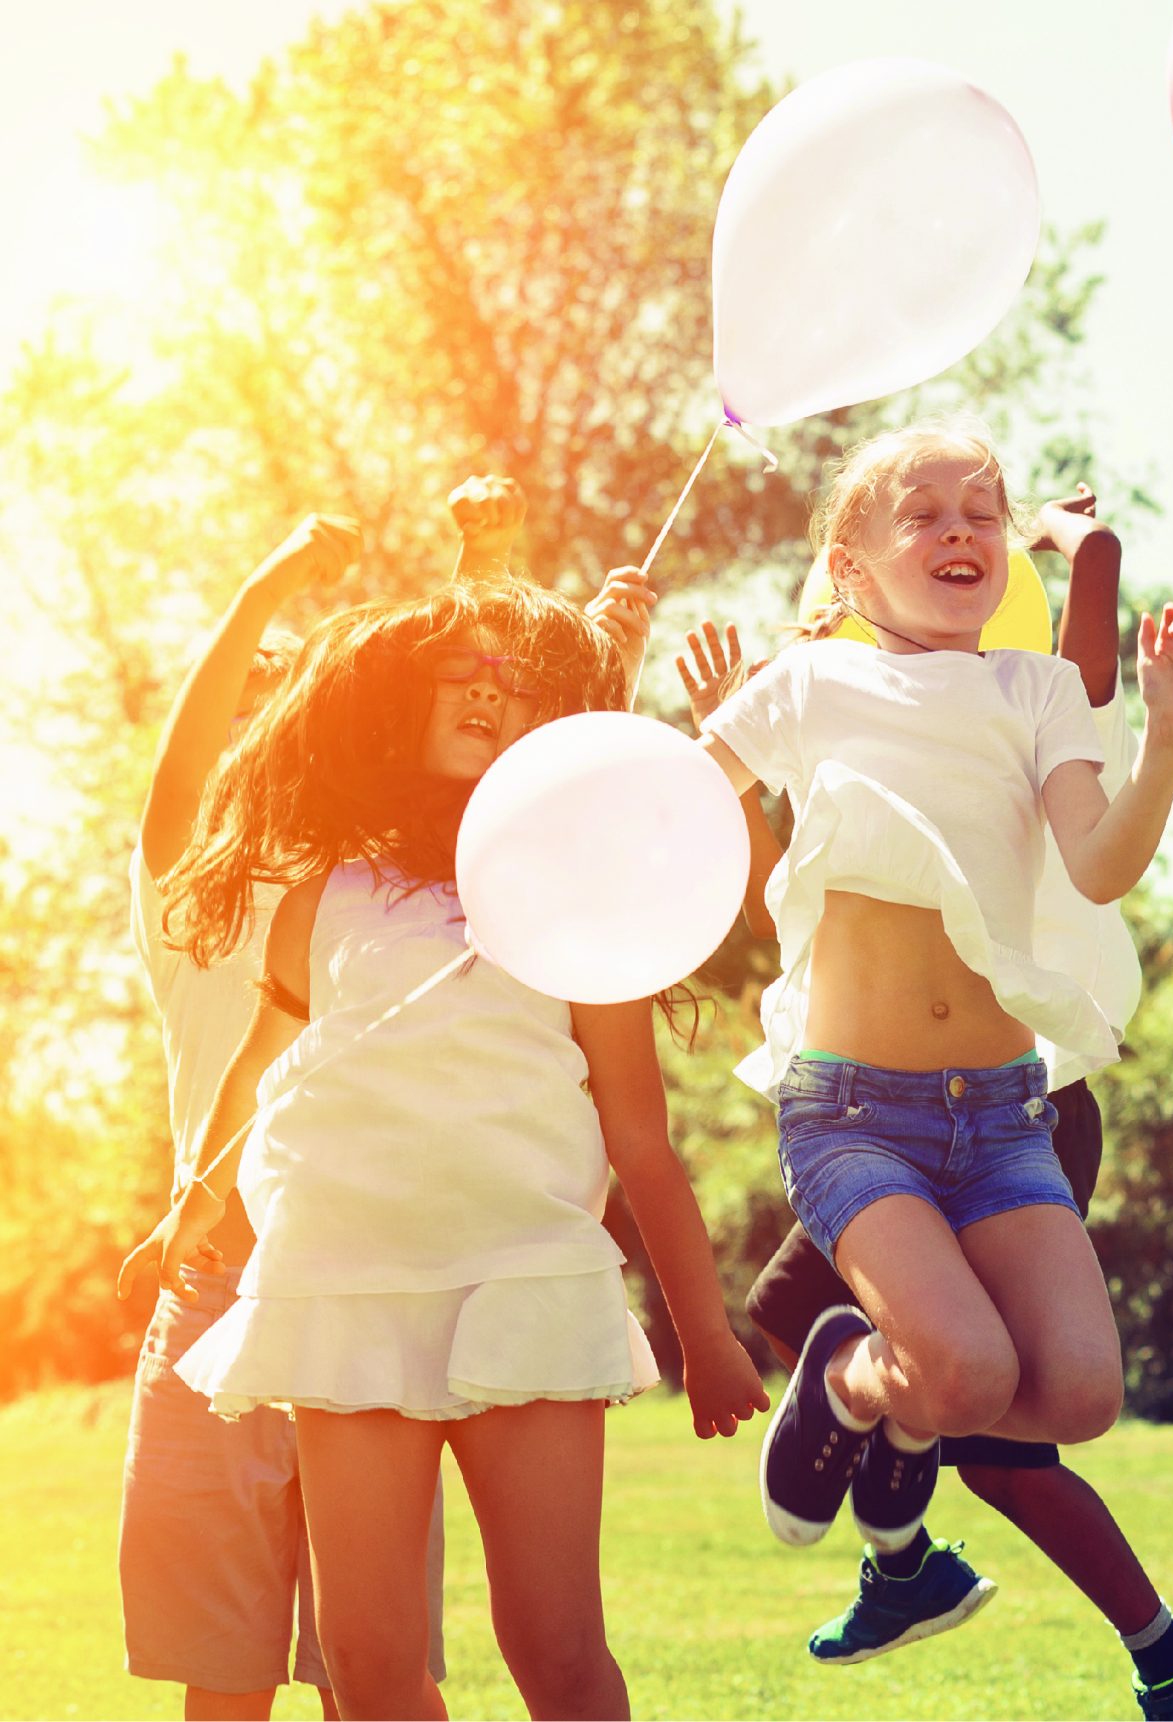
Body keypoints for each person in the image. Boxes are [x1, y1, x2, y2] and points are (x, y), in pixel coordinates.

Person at [119, 576, 768, 1720]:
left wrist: (706, 1336)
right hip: (341, 1291)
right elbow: (261, 1059)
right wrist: (195, 1202)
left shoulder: (578, 899)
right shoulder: (325, 889)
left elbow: (641, 1144)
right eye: (461, 669)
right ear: (399, 706)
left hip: (520, 1276)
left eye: (514, 682)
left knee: (555, 1651)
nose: (487, 686)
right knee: (370, 1667)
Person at [685, 481, 1173, 1715]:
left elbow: (1098, 863)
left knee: (1082, 1398)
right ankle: (855, 1382)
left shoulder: (1035, 691)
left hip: (1001, 1112)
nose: (961, 532)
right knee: (969, 1377)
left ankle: (858, 1386)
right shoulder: (804, 684)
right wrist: (696, 754)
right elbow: (673, 824)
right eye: (924, 513)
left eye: (983, 513)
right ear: (848, 562)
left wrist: (1167, 734)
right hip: (851, 1110)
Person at [119, 478, 521, 1718]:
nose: (262, 699)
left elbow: (478, 721)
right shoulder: (192, 888)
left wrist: (487, 557)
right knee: (223, 1678)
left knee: (379, 1674)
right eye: (250, 684)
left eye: (284, 686)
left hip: (362, 1288)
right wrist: (271, 586)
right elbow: (194, 744)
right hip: (213, 1293)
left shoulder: (377, 882)